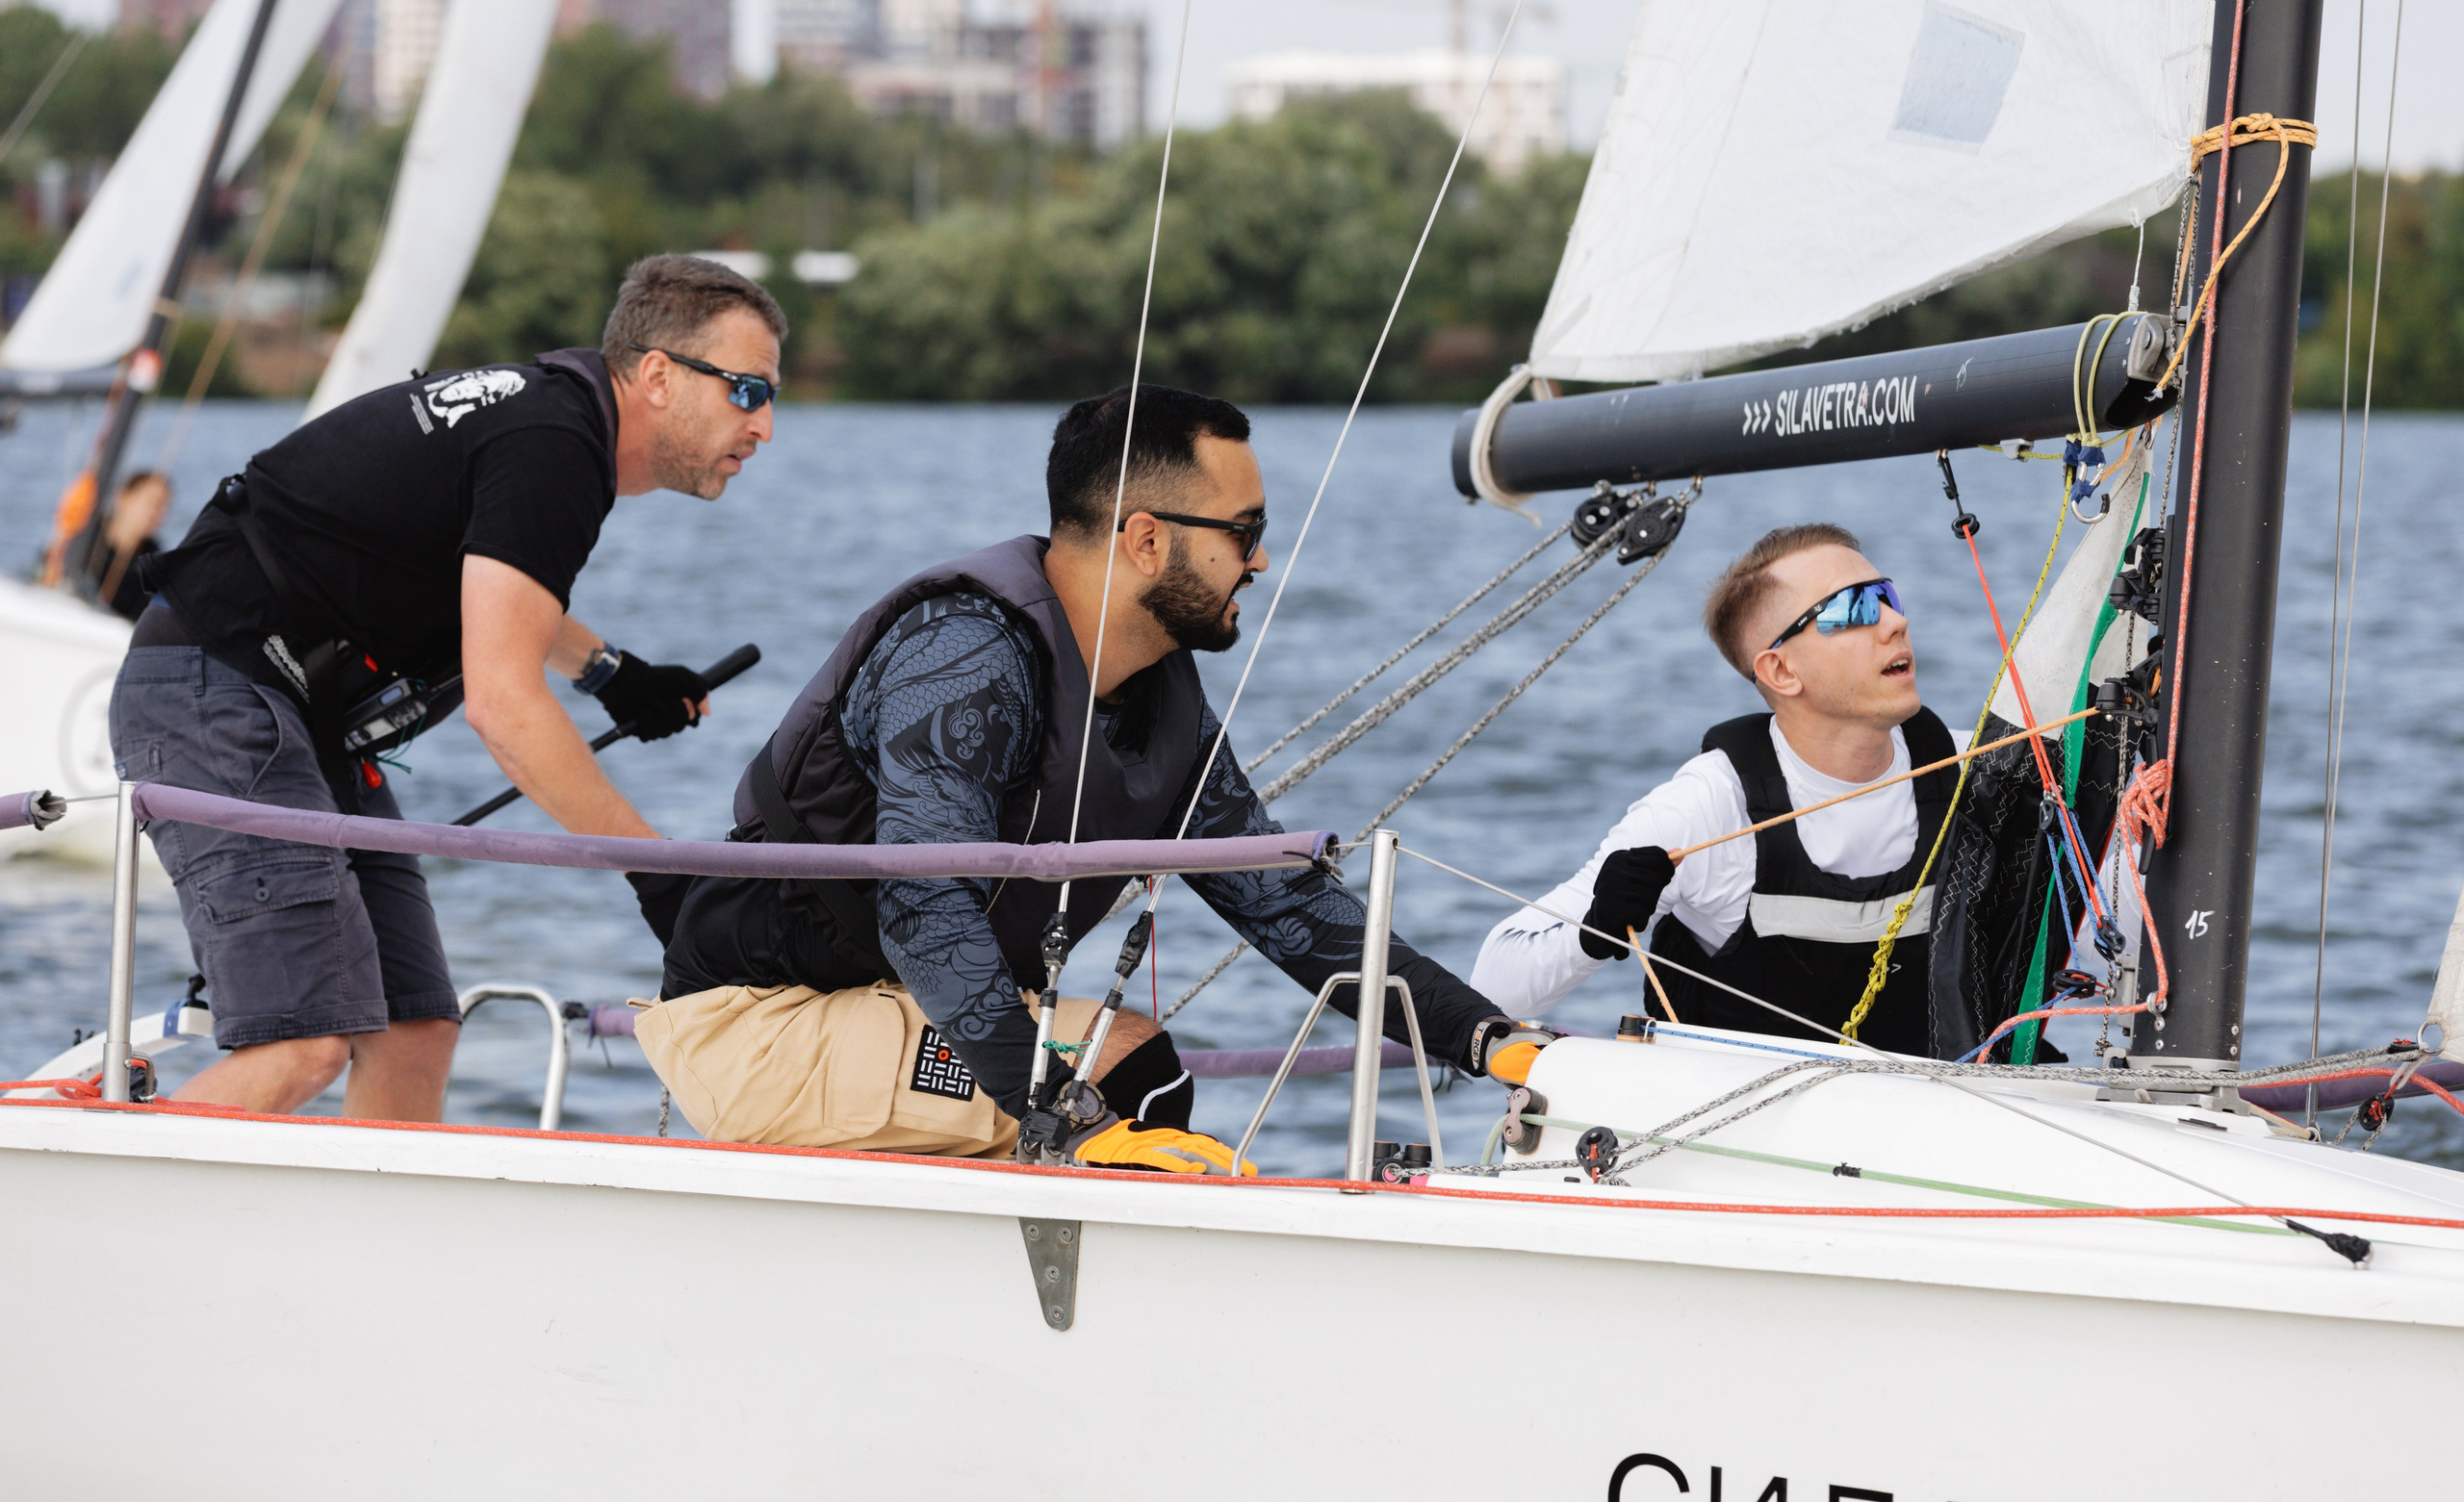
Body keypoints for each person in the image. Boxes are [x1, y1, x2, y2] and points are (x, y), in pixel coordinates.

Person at [640, 385, 1545, 1172]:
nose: (1260, 560)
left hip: (901, 1009)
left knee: (1132, 1080)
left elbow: (1288, 909)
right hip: (762, 1021)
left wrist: (1491, 1042)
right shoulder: (964, 654)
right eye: (1246, 531)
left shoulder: (1157, 703)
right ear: (1147, 539)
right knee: (1130, 1076)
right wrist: (1061, 1118)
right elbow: (926, 910)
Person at [110, 254, 784, 1120]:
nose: (764, 428)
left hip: (296, 712)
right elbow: (503, 709)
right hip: (213, 684)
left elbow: (493, 597)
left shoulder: (551, 418)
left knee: (414, 1032)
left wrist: (614, 675)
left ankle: (366, 1252)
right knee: (301, 1044)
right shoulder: (555, 445)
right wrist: (660, 874)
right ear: (658, 375)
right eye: (748, 392)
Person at [1472, 522, 1961, 1056]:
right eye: (1856, 609)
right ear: (1780, 670)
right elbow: (1494, 983)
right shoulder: (1707, 808)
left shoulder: (1980, 771)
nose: (1897, 621)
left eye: (1887, 596)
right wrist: (1595, 931)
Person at [98, 468, 172, 620]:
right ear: (123, 498)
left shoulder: (156, 567)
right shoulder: (85, 539)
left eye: (164, 508)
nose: (158, 515)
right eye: (153, 503)